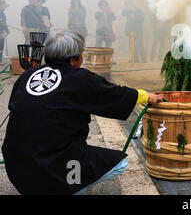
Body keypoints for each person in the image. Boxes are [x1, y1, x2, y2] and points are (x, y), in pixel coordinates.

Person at [1, 31, 164, 195]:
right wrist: (146, 95)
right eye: (81, 55)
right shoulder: (78, 79)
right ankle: (65, 189)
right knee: (119, 163)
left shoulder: (27, 76)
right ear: (72, 60)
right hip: (50, 171)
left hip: (18, 169)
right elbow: (114, 94)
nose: (82, 59)